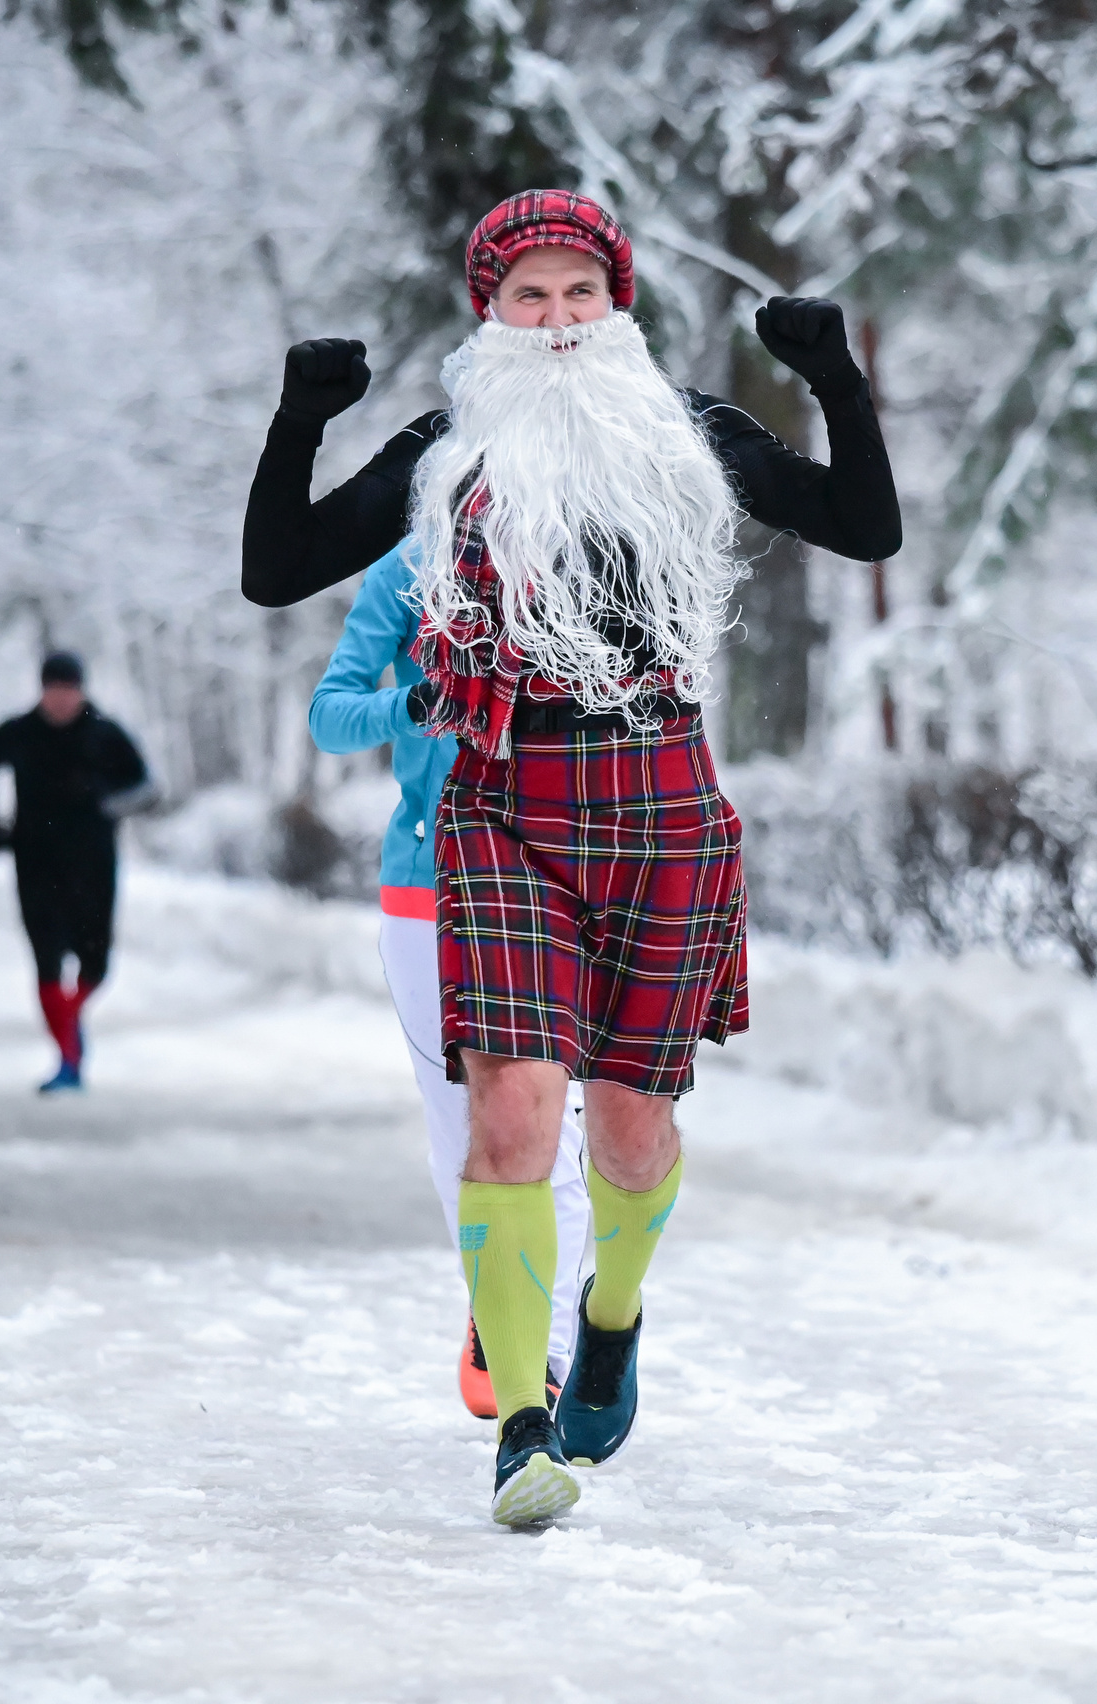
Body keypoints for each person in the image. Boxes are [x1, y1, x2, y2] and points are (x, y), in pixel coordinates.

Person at [242, 189, 900, 1525]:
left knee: (635, 1127)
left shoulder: (686, 435)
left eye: (577, 296)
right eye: (527, 298)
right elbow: (277, 567)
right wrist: (302, 418)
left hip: (659, 792)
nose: (554, 323)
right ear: (490, 312)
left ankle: (611, 1318)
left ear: (618, 309)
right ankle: (525, 1426)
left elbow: (866, 525)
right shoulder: (449, 455)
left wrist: (833, 378)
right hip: (501, 803)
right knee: (511, 1115)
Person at [310, 540, 595, 1420]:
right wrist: (416, 702)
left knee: (556, 1130)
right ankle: (496, 1301)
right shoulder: (407, 570)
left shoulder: (586, 551)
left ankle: (539, 1347)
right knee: (459, 1128)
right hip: (427, 888)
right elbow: (330, 716)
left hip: (557, 880)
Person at [0, 653, 155, 1093]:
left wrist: (106, 804)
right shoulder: (16, 733)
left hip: (93, 864)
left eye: (69, 689)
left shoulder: (105, 734)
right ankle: (69, 1061)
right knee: (47, 960)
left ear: (82, 690)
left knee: (96, 962)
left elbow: (146, 786)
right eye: (54, 689)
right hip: (34, 862)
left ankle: (70, 1018)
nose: (62, 698)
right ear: (42, 690)